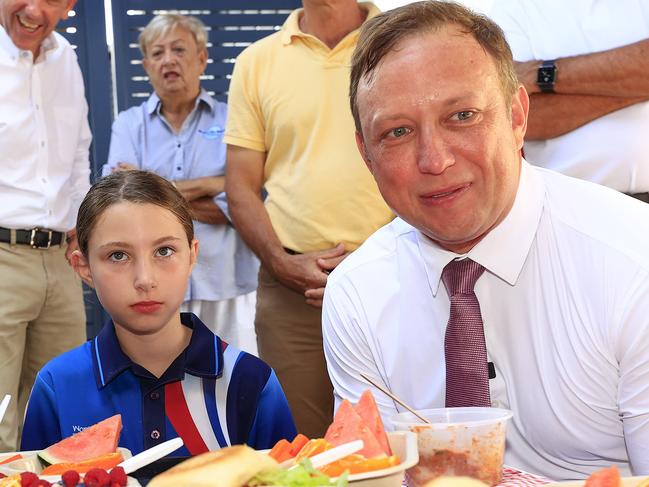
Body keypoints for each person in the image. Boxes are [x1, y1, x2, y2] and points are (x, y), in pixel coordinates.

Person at [322, 1, 649, 480]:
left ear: (517, 116)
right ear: (365, 155)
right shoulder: (356, 294)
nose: (434, 159)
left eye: (462, 115)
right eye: (397, 132)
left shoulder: (632, 259)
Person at [21, 171, 297, 455]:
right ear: (84, 267)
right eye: (118, 255)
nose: (145, 279)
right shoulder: (57, 386)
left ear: (192, 255)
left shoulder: (249, 379)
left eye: (164, 251)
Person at [224, 0, 393, 438]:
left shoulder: (400, 42)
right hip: (290, 293)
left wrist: (381, 265)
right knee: (301, 446)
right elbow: (240, 187)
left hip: (399, 281)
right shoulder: (255, 63)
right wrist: (280, 263)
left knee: (401, 436)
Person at [103, 13, 259, 355]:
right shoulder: (128, 125)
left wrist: (151, 189)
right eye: (157, 53)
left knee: (233, 387)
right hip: (152, 288)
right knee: (164, 393)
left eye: (178, 49)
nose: (168, 60)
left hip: (226, 281)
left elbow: (244, 200)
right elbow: (121, 202)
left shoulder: (233, 119)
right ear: (146, 65)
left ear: (202, 58)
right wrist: (213, 183)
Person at [0, 0, 90, 451]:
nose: (34, 9)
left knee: (62, 412)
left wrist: (80, 227)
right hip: (1, 257)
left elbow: (77, 152)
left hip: (60, 259)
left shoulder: (66, 59)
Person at [488, 0, 649, 201]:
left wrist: (538, 74)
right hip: (572, 207)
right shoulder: (514, 9)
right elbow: (522, 116)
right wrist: (636, 80)